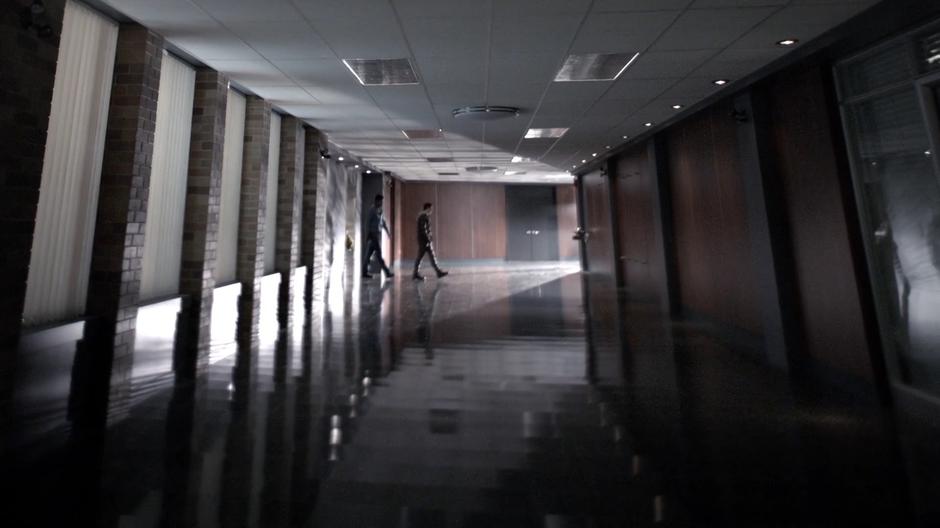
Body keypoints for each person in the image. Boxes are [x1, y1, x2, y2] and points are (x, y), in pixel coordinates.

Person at [413, 202, 448, 281]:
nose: (432, 210)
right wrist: (428, 239)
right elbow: (423, 230)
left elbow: (425, 230)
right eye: (431, 208)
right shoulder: (423, 217)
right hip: (424, 241)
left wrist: (429, 237)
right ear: (427, 208)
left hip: (424, 240)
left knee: (429, 256)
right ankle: (417, 273)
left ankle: (437, 272)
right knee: (423, 257)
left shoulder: (424, 216)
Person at [362, 194, 393, 279]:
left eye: (382, 202)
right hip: (372, 235)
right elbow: (367, 223)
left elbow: (383, 222)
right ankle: (387, 272)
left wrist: (387, 232)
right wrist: (367, 235)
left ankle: (364, 272)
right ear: (376, 201)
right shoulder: (372, 210)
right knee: (379, 255)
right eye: (380, 201)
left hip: (377, 235)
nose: (381, 203)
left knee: (368, 255)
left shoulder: (380, 211)